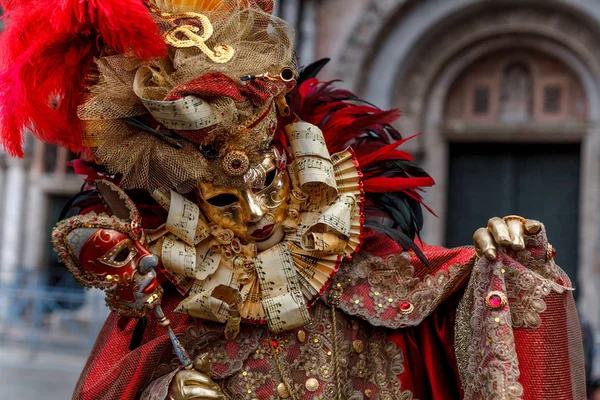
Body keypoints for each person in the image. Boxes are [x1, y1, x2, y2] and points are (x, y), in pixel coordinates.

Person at [0, 0, 586, 398]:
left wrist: (498, 262)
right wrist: (168, 392)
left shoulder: (377, 280)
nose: (255, 217)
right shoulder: (178, 306)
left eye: (267, 186)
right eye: (227, 200)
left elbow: (456, 329)